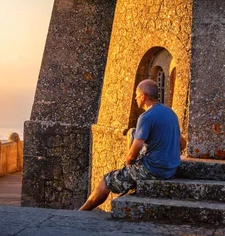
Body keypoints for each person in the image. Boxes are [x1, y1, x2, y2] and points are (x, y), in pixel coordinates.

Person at [79, 79, 186, 211]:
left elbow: (132, 154)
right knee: (134, 132)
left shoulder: (146, 117)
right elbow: (182, 143)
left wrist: (129, 167)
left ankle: (81, 212)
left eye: (137, 94)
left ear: (143, 96)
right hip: (170, 168)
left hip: (154, 170)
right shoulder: (171, 113)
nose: (135, 97)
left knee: (106, 180)